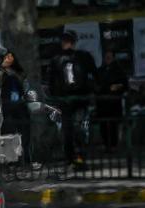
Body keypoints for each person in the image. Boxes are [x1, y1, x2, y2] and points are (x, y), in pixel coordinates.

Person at [49, 31, 96, 168]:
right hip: (65, 101)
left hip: (80, 99)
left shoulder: (84, 57)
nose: (66, 43)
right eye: (64, 40)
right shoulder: (56, 59)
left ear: (74, 42)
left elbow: (94, 74)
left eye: (69, 41)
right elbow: (52, 81)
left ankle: (80, 157)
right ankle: (70, 159)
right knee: (67, 131)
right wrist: (55, 98)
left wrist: (92, 91)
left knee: (80, 128)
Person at [0, 51, 31, 164]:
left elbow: (25, 86)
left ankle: (25, 158)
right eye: (6, 57)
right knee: (9, 133)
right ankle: (12, 161)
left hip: (20, 105)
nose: (8, 59)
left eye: (10, 57)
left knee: (25, 133)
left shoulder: (19, 73)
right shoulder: (0, 72)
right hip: (7, 106)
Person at [95, 51, 128, 153]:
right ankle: (106, 145)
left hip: (114, 102)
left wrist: (117, 87)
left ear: (113, 58)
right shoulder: (100, 70)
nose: (107, 59)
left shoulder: (119, 71)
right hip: (102, 102)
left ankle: (114, 145)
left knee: (113, 124)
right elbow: (95, 84)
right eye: (106, 57)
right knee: (103, 125)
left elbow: (124, 84)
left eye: (109, 57)